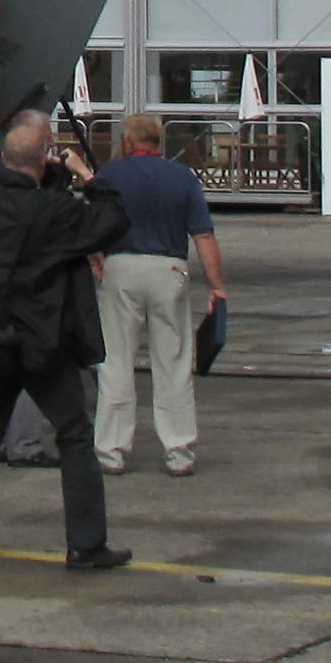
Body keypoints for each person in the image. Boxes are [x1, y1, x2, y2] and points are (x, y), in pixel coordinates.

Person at [0, 97, 134, 573]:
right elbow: (111, 222)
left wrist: (49, 176)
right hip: (41, 340)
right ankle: (86, 544)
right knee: (76, 433)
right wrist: (88, 176)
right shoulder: (50, 212)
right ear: (45, 158)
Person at [93, 112, 226, 478]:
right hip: (169, 269)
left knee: (116, 361)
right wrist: (216, 286)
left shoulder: (110, 174)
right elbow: (203, 236)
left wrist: (95, 254)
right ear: (159, 142)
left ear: (127, 141)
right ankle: (179, 450)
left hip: (120, 268)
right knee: (174, 361)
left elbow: (93, 224)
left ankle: (111, 450)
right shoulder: (182, 176)